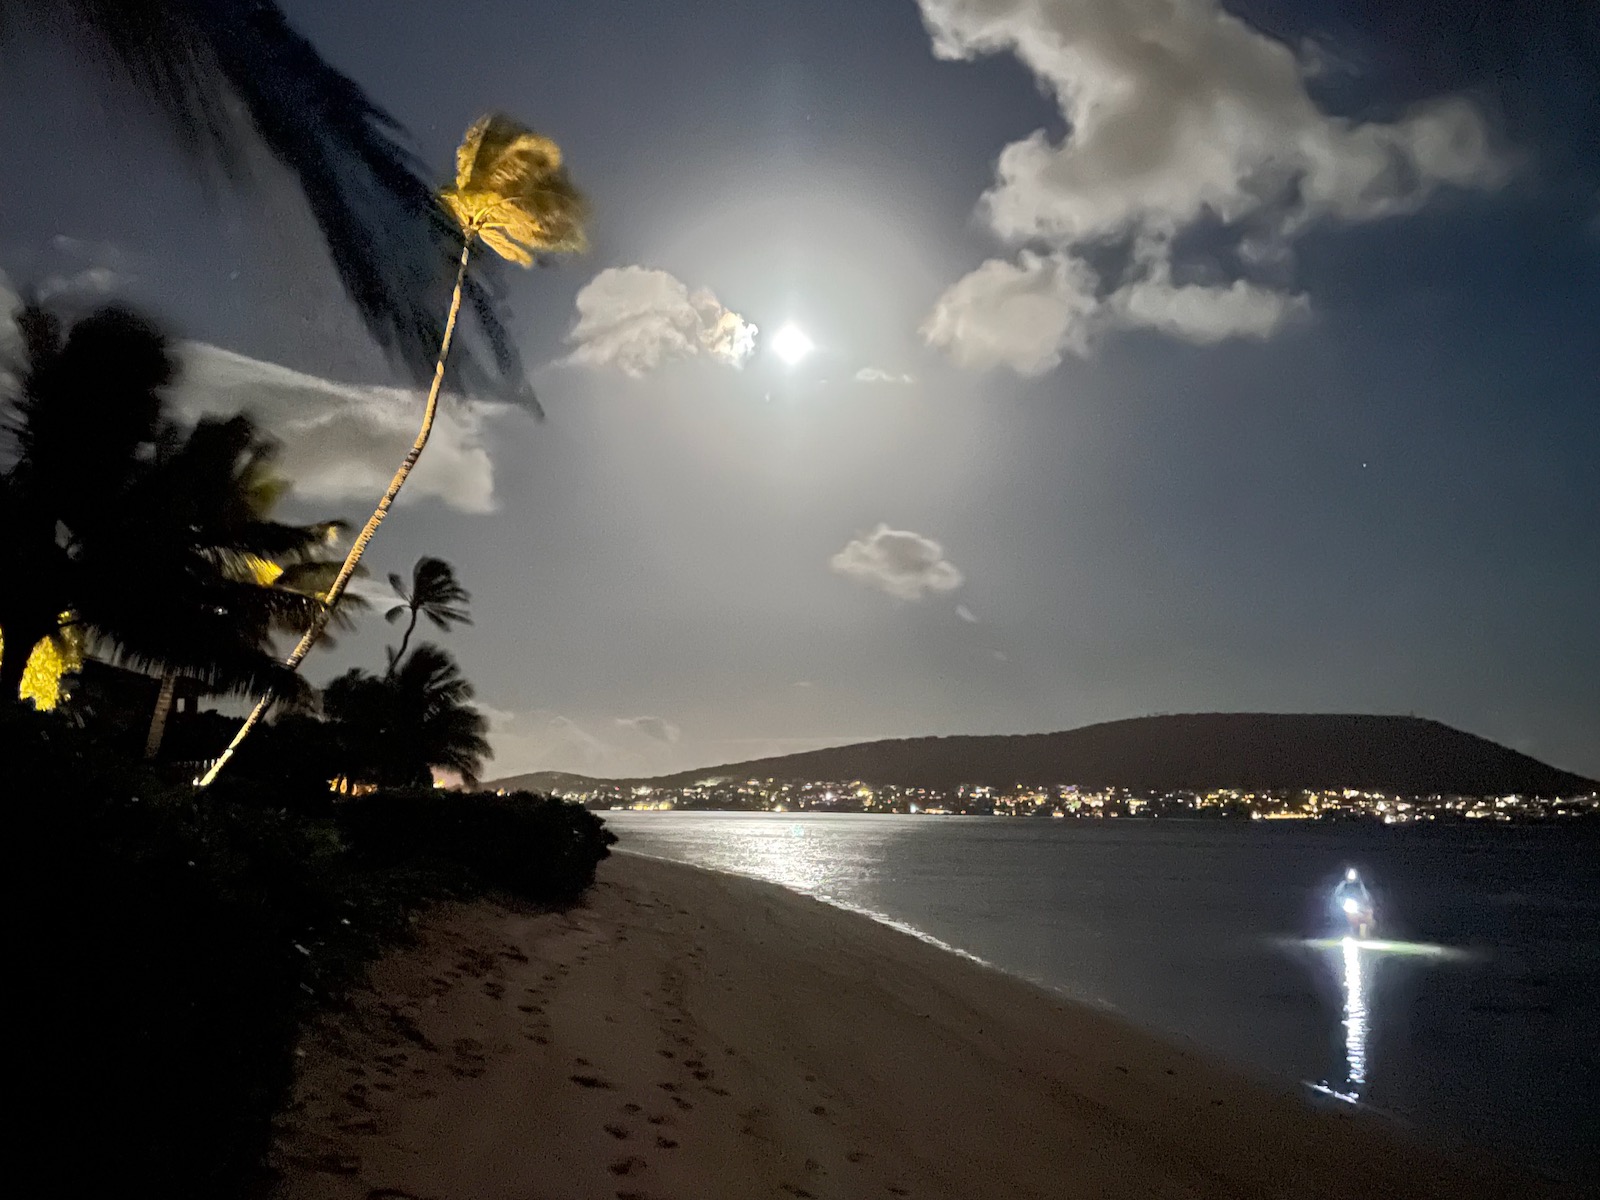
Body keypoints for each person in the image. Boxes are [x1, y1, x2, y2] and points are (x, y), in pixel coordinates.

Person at [1333, 867, 1375, 938]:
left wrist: (1366, 904)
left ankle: (1364, 934)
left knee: (1366, 916)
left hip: (1359, 906)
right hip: (1348, 906)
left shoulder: (1359, 884)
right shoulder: (1344, 884)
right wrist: (1344, 902)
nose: (1352, 875)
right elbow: (1337, 895)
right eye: (1350, 873)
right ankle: (1352, 933)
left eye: (1353, 873)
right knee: (1353, 919)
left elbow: (1365, 895)